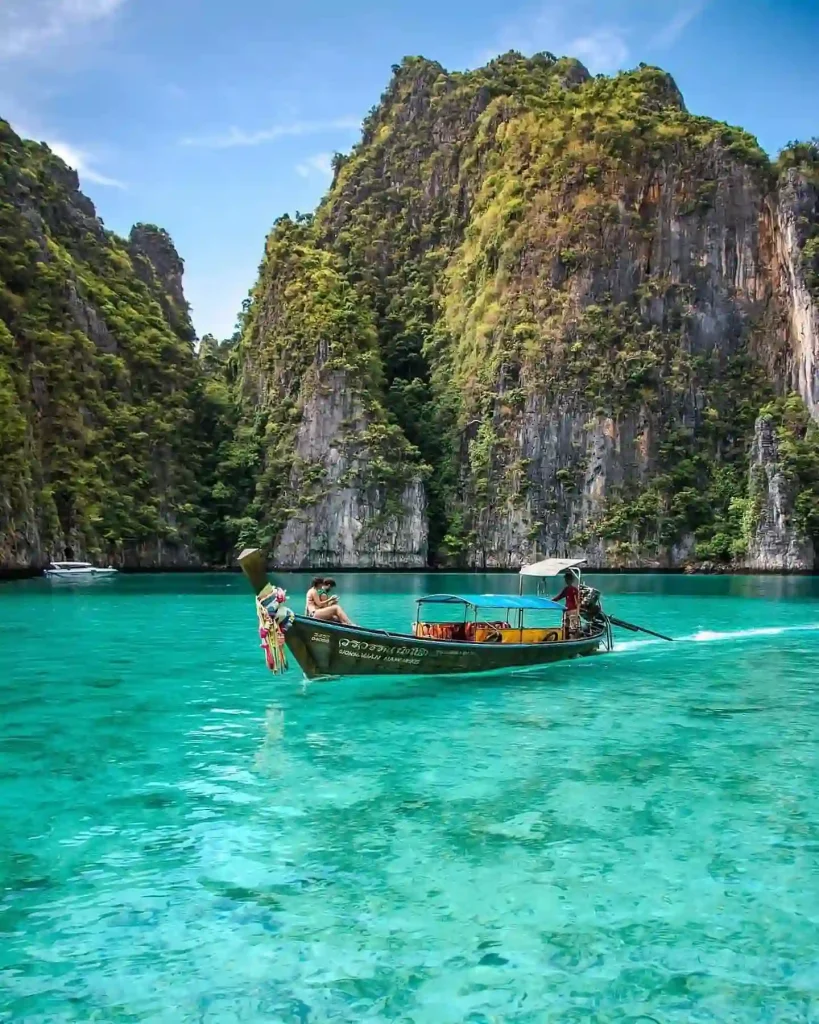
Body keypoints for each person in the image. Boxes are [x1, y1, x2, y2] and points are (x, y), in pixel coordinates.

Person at [553, 571, 581, 638]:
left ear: (570, 580)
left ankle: (570, 639)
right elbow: (559, 597)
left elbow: (575, 601)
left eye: (567, 579)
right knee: (567, 627)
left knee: (569, 627)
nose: (566, 581)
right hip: (568, 610)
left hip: (571, 611)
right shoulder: (569, 589)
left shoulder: (573, 589)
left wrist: (577, 611)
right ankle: (567, 639)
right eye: (566, 579)